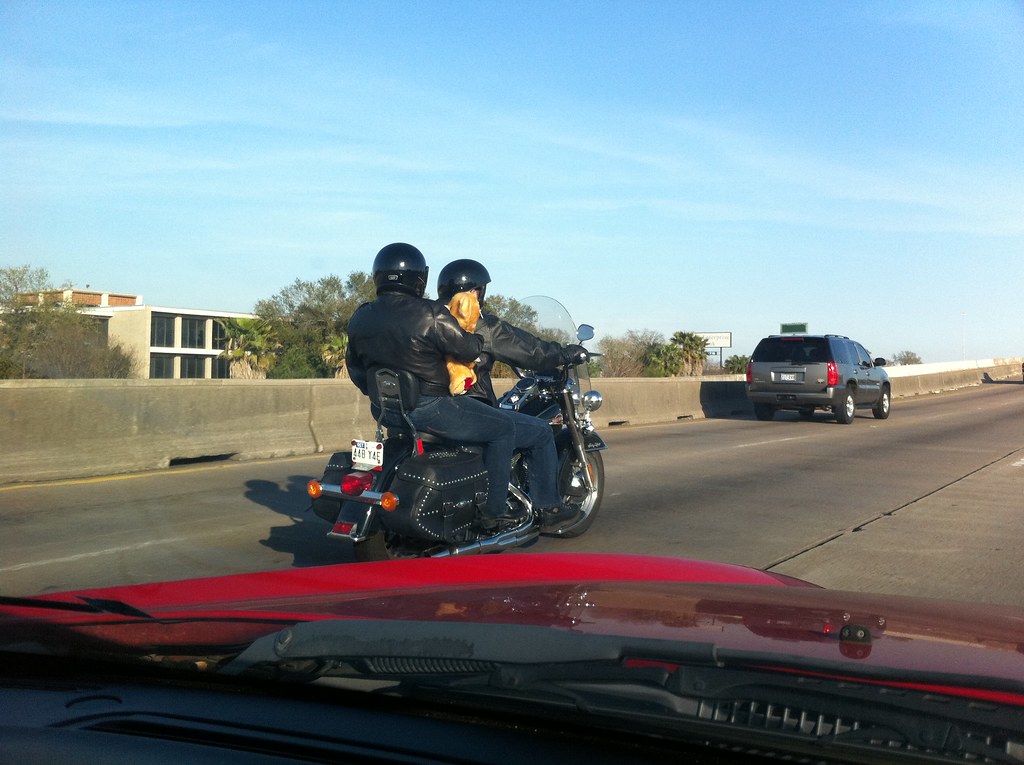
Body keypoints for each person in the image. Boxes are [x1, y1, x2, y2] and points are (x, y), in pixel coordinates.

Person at [345, 243, 578, 531]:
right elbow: (470, 350)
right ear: (420, 278)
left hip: (387, 410)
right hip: (434, 409)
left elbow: (356, 370)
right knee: (513, 428)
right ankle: (501, 511)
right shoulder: (432, 315)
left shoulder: (361, 316)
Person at [435, 259, 587, 407]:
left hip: (433, 410)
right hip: (475, 409)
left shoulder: (429, 319)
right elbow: (531, 351)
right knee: (541, 429)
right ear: (475, 292)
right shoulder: (483, 326)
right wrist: (565, 354)